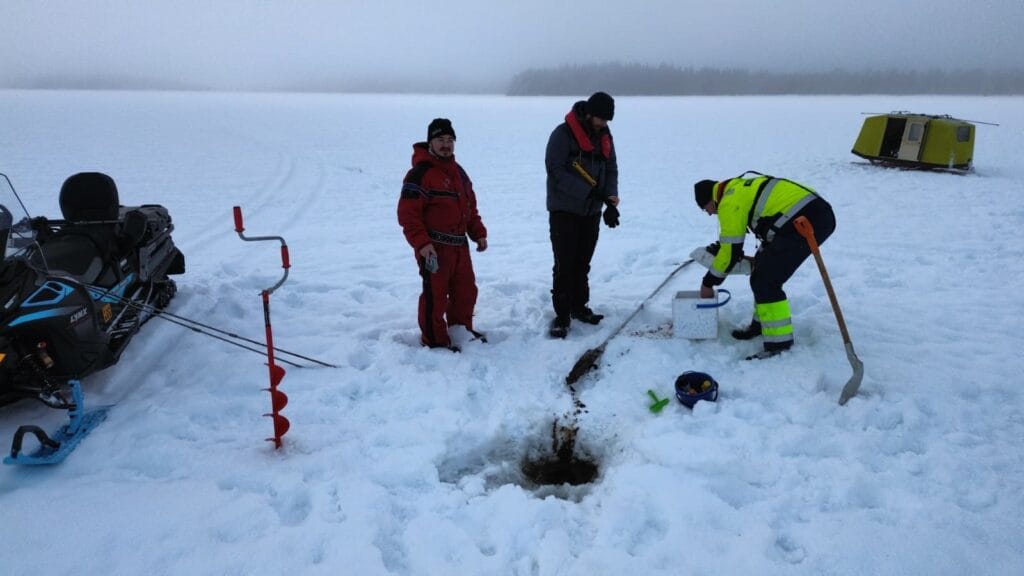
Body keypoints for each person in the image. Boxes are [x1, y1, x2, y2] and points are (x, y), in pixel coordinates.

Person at [693, 172, 835, 359]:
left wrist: (708, 282)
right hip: (803, 216)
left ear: (711, 200)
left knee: (766, 281)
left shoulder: (729, 202)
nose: (710, 213)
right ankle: (761, 325)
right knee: (761, 271)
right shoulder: (736, 188)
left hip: (807, 220)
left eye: (706, 209)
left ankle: (779, 345)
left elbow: (730, 252)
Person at [398, 118, 487, 352]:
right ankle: (435, 341)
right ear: (430, 143)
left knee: (465, 291)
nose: (446, 145)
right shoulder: (420, 174)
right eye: (440, 140)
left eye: (450, 140)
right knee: (435, 296)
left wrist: (478, 233)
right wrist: (422, 244)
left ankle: (460, 331)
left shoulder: (459, 173)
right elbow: (408, 215)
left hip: (460, 246)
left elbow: (470, 208)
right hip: (434, 248)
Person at [544, 91, 620, 339]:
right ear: (588, 114)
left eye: (606, 120)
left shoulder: (604, 135)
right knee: (564, 263)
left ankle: (579, 306)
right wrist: (587, 192)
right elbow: (555, 171)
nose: (603, 124)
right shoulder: (562, 134)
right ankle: (562, 315)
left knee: (582, 263)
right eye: (600, 119)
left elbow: (611, 168)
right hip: (564, 210)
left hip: (592, 211)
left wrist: (610, 200)